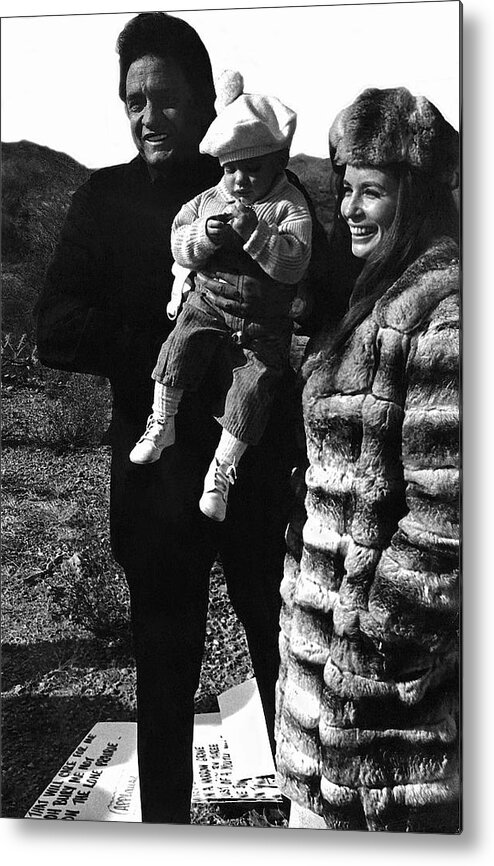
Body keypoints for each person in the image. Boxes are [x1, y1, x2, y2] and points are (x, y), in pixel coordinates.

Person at [35, 12, 331, 824]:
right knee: (165, 673)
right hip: (157, 476)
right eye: (134, 99)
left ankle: (310, 824)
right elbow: (54, 327)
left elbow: (322, 289)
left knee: (281, 659)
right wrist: (169, 346)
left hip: (254, 468)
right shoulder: (104, 199)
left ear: (206, 103)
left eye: (166, 98)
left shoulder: (266, 191)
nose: (147, 114)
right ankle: (164, 832)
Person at [275, 86, 460, 832]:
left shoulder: (443, 310)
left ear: (413, 196)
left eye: (371, 192)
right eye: (345, 187)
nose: (349, 208)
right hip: (329, 688)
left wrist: (365, 639)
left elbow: (447, 527)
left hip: (385, 713)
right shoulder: (372, 291)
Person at [129, 71, 313, 524]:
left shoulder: (291, 206)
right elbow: (178, 242)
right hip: (209, 304)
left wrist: (257, 233)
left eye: (252, 169)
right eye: (229, 169)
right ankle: (162, 422)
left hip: (262, 322)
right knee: (179, 343)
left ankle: (222, 470)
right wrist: (204, 238)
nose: (239, 180)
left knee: (256, 385)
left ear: (280, 161)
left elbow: (294, 263)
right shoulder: (209, 199)